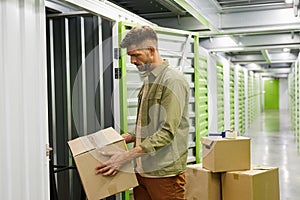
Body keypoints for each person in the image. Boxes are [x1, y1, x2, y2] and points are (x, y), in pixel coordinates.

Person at [95, 25, 190, 200]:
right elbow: (147, 125)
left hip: (163, 174)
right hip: (142, 169)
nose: (132, 61)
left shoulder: (172, 80)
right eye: (130, 56)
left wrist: (126, 156)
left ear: (151, 50)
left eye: (135, 55)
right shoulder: (148, 80)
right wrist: (125, 137)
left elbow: (167, 132)